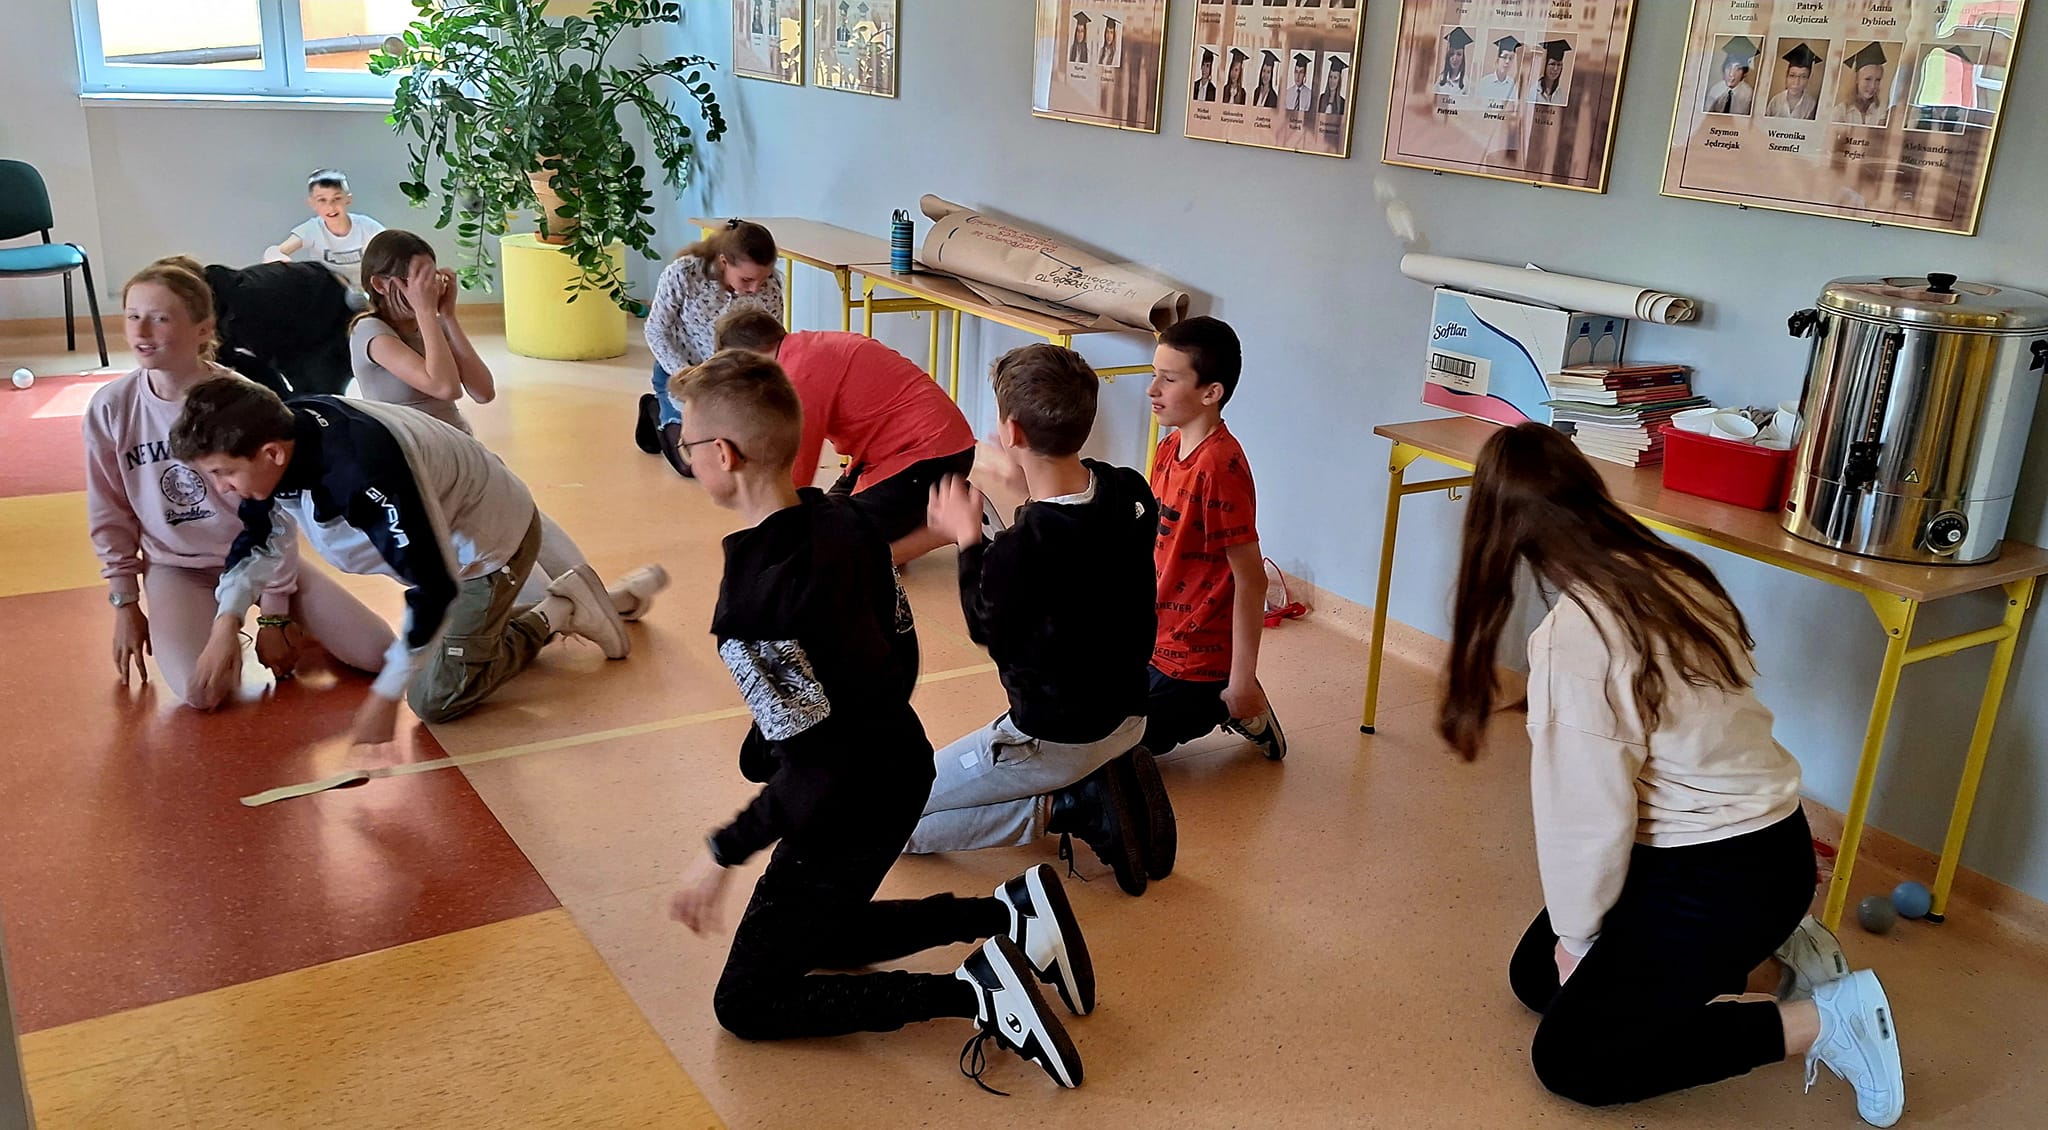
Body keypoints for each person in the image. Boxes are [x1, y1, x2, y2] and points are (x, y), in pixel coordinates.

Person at [1439, 424, 1905, 1129]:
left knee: (1572, 1059)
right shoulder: (1663, 570)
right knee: (1536, 976)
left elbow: (1585, 817)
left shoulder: (1577, 637)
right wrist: (1572, 941)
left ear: (1501, 536)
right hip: (1766, 851)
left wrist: (1580, 941)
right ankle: (1778, 949)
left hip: (1722, 873)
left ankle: (1829, 1022)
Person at [663, 350, 1091, 1093]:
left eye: (686, 438)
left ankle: (975, 994)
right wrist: (797, 732)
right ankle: (1006, 914)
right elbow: (900, 649)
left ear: (723, 456)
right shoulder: (850, 520)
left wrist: (722, 853)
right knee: (821, 934)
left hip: (845, 805)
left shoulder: (752, 608)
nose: (683, 449)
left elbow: (814, 769)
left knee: (747, 1002)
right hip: (903, 766)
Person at [168, 379, 641, 745]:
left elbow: (436, 587)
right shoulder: (280, 434)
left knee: (433, 698)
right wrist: (226, 622)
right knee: (444, 648)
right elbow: (258, 535)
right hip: (449, 535)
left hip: (485, 553)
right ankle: (513, 618)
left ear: (271, 454)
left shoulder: (362, 472)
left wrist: (385, 696)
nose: (220, 488)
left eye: (223, 473)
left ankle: (557, 611)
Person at [902, 345, 1171, 897]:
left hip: (1053, 739)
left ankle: (1068, 806)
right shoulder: (1130, 489)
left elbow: (984, 624)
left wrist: (968, 539)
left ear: (1011, 431)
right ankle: (1097, 778)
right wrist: (1021, 494)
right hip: (1129, 715)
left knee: (891, 819)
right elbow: (1076, 547)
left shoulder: (1018, 551)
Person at [86, 256, 394, 710]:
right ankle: (218, 623)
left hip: (257, 557)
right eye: (133, 316)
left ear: (204, 329)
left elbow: (279, 514)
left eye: (160, 318)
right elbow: (109, 508)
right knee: (204, 692)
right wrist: (125, 602)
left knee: (379, 653)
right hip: (179, 568)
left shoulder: (248, 402)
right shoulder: (111, 407)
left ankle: (297, 628)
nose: (142, 332)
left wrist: (275, 612)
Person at [351, 229, 669, 624]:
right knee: (508, 557)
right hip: (427, 476)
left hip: (464, 457)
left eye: (433, 277)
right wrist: (427, 314)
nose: (429, 289)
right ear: (381, 284)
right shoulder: (369, 332)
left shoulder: (426, 324)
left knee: (533, 524)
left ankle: (599, 598)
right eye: (418, 280)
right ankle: (583, 608)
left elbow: (482, 390)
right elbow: (444, 386)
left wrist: (447, 317)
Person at [715, 310, 975, 566]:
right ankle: (920, 514)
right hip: (911, 451)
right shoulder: (806, 348)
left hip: (929, 456)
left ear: (745, 359)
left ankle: (951, 526)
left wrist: (770, 530)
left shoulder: (796, 375)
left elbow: (796, 466)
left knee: (835, 554)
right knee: (824, 522)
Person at [1142, 317, 1285, 765]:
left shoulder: (1219, 468)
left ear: (1211, 393)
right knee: (1082, 716)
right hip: (1155, 639)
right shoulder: (1169, 448)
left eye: (1168, 379)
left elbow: (1251, 580)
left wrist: (1241, 680)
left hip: (1197, 661)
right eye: (1154, 375)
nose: (1152, 390)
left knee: (1114, 753)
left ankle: (1231, 703)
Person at [638, 220, 785, 477]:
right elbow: (656, 330)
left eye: (763, 279)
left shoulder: (769, 289)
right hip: (682, 376)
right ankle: (655, 408)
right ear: (724, 262)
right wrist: (684, 373)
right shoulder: (684, 274)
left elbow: (771, 344)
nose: (755, 288)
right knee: (691, 466)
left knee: (735, 457)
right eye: (747, 279)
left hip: (728, 382)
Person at [264, 169, 386, 294]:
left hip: (370, 292)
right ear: (312, 203)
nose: (330, 207)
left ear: (348, 199)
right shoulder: (312, 229)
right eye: (322, 200)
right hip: (330, 295)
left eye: (337, 198)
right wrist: (287, 265)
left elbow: (392, 251)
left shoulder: (368, 227)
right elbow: (274, 251)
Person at [1836, 43, 1891, 126]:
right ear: (1856, 79)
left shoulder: (1882, 110)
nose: (1873, 86)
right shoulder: (1840, 112)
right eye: (1868, 79)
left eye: (1877, 80)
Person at [1767, 43, 1822, 120]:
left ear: (1808, 80)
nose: (1796, 82)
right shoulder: (1775, 101)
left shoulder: (1812, 105)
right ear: (1786, 77)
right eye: (1792, 75)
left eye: (1803, 77)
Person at [1706, 38, 1757, 115]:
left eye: (1738, 68)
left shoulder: (1749, 95)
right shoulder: (1715, 90)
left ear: (1744, 73)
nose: (1731, 74)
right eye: (1729, 67)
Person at [1481, 35, 1522, 102]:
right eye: (1504, 57)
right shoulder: (1485, 82)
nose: (1507, 61)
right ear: (1498, 59)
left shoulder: (1513, 86)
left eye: (1511, 58)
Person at [1533, 40, 1572, 105]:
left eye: (1559, 65)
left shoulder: (1560, 94)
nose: (1555, 69)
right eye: (1552, 64)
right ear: (1545, 65)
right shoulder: (1534, 90)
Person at [1438, 28, 1472, 96]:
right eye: (1451, 54)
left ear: (1463, 57)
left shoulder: (1466, 83)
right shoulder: (1441, 78)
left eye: (1459, 54)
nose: (1455, 58)